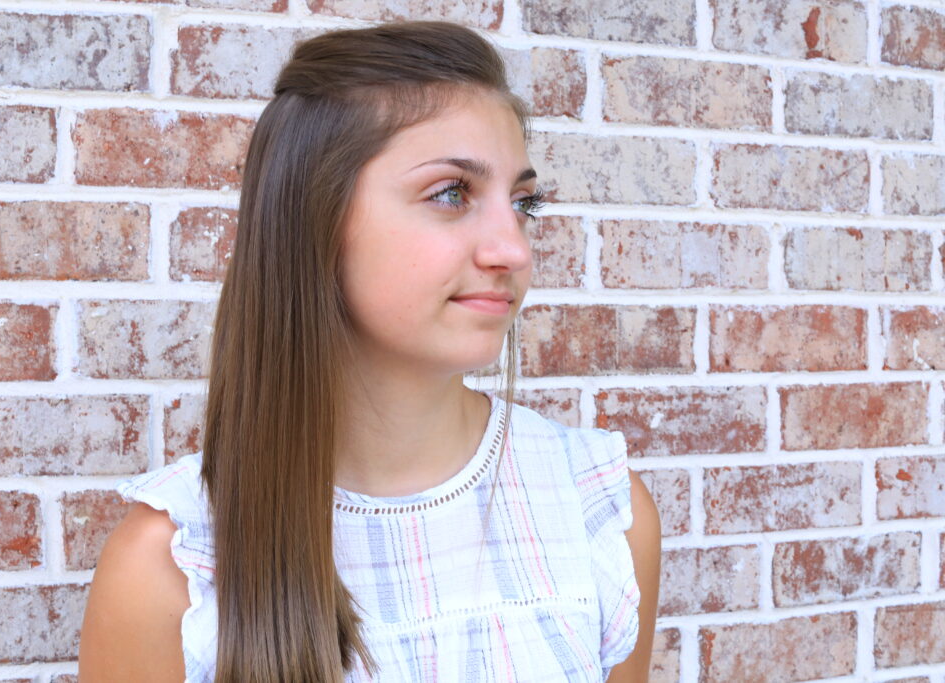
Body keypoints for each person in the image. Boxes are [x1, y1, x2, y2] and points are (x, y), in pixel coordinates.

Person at [79, 19, 660, 683]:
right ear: (315, 216)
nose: (514, 249)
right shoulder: (174, 569)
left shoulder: (599, 512)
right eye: (451, 193)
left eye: (523, 201)